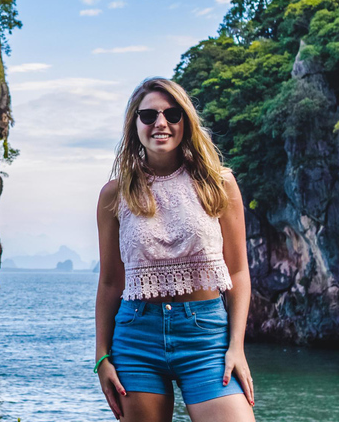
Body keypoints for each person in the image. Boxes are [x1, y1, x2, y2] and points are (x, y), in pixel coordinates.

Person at [94, 77, 256, 422]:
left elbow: (239, 271)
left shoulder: (218, 182)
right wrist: (101, 356)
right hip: (137, 338)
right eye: (149, 115)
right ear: (134, 124)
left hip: (207, 337)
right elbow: (110, 282)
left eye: (172, 113)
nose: (161, 123)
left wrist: (236, 347)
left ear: (186, 121)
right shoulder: (114, 194)